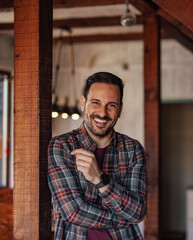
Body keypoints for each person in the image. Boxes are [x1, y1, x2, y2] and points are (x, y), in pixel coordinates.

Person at [48, 72, 148, 239]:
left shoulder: (133, 149)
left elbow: (137, 212)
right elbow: (73, 212)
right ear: (83, 103)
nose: (102, 113)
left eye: (111, 105)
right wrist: (124, 218)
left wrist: (100, 179)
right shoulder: (62, 146)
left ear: (120, 109)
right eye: (96, 102)